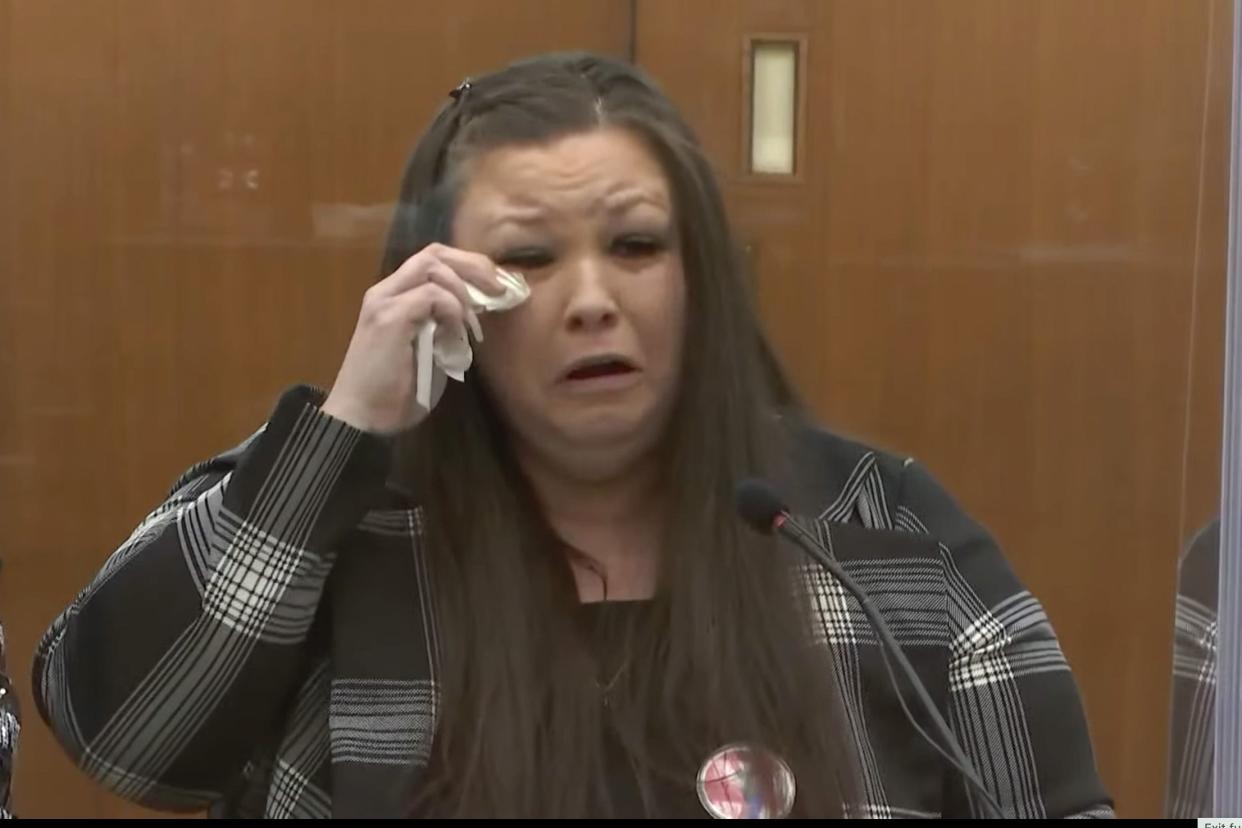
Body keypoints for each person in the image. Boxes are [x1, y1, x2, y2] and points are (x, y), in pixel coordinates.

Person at [32, 52, 1114, 819]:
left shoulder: (877, 534)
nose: (592, 300)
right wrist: (346, 428)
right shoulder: (336, 526)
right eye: (531, 260)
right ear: (442, 293)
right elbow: (128, 743)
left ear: (702, 280)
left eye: (637, 245)